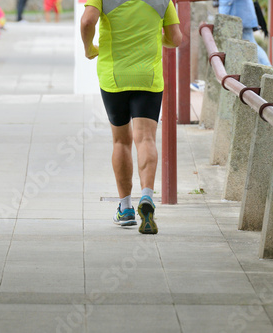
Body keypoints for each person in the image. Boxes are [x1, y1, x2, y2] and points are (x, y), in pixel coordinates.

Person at [80, 0, 182, 234]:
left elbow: (87, 21)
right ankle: (147, 196)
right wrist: (160, 39)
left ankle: (125, 208)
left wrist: (89, 48)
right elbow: (176, 38)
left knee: (121, 141)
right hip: (148, 77)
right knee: (145, 139)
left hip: (114, 76)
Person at [218, 0, 271, 66]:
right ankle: (267, 67)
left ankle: (267, 67)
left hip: (238, 18)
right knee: (251, 45)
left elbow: (226, 2)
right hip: (243, 16)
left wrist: (221, 19)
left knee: (251, 45)